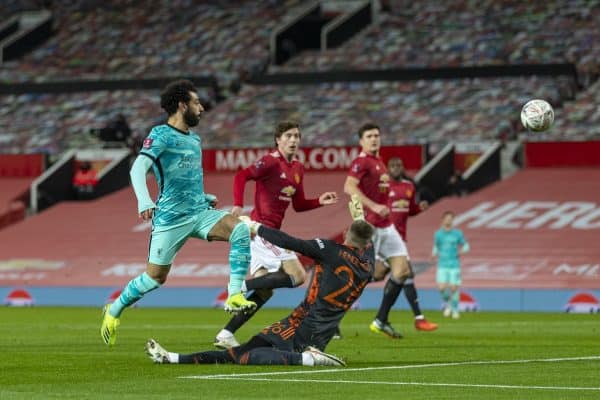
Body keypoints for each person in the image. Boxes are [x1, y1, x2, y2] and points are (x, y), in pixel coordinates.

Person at [100, 80, 256, 346]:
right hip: (170, 220)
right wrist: (144, 201)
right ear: (182, 105)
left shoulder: (194, 139)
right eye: (196, 103)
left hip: (199, 212)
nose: (202, 108)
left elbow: (187, 178)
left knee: (240, 228)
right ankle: (113, 311)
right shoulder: (160, 135)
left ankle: (234, 294)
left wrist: (204, 197)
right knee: (154, 278)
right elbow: (138, 169)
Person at [145, 213, 375, 367]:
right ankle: (172, 358)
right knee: (243, 350)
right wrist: (360, 218)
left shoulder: (330, 250)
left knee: (247, 356)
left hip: (306, 327)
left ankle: (309, 359)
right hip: (307, 324)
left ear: (347, 234)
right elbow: (366, 247)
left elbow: (291, 242)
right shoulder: (368, 268)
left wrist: (255, 226)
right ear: (366, 244)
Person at [214, 120, 338, 349]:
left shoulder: (298, 168)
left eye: (297, 136)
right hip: (260, 228)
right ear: (278, 140)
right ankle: (240, 287)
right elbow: (241, 176)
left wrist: (319, 201)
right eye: (289, 136)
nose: (293, 140)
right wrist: (239, 205)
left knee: (265, 292)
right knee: (298, 275)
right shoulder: (270, 161)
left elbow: (299, 204)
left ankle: (226, 333)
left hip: (271, 232)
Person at [344, 123, 437, 339]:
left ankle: (380, 320)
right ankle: (334, 311)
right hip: (371, 227)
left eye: (376, 135)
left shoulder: (379, 162)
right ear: (361, 141)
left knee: (403, 270)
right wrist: (373, 206)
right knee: (366, 274)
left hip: (387, 227)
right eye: (369, 136)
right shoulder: (362, 161)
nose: (374, 139)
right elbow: (349, 187)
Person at [370, 156, 431, 336]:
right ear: (388, 168)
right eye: (393, 165)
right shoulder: (383, 185)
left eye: (399, 165)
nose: (396, 167)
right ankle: (418, 318)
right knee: (405, 272)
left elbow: (410, 209)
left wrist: (419, 208)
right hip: (385, 238)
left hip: (399, 240)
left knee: (380, 275)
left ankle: (382, 319)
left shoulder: (409, 187)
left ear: (403, 167)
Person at [432, 211, 470, 319]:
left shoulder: (457, 233)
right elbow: (436, 246)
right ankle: (448, 303)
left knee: (453, 288)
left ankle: (455, 309)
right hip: (442, 264)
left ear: (452, 220)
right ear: (443, 220)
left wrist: (461, 251)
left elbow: (466, 246)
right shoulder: (438, 234)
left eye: (450, 218)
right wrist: (433, 254)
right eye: (447, 218)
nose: (448, 220)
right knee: (441, 288)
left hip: (454, 265)